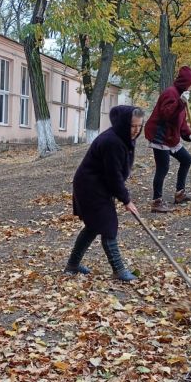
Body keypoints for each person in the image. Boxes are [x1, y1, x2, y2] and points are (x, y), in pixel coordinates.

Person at [64, 105, 143, 283]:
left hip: (100, 185)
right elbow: (113, 175)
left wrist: (122, 195)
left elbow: (117, 173)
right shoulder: (112, 141)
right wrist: (126, 199)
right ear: (124, 124)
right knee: (108, 225)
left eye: (140, 126)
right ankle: (118, 270)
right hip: (90, 186)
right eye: (133, 126)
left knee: (93, 226)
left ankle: (72, 265)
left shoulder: (124, 138)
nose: (136, 131)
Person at [144, 65, 191, 213]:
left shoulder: (182, 94)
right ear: (185, 82)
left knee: (186, 160)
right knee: (163, 168)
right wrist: (180, 102)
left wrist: (188, 134)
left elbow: (181, 120)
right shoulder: (170, 93)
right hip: (160, 136)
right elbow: (167, 114)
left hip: (171, 137)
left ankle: (180, 194)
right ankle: (156, 202)